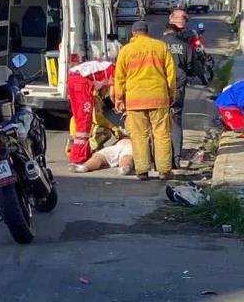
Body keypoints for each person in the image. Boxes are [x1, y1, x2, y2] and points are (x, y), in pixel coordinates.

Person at [114, 20, 176, 181]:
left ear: (133, 33)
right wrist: (170, 95)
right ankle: (164, 170)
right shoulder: (161, 47)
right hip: (159, 98)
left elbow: (119, 78)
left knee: (139, 136)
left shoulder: (126, 50)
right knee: (162, 135)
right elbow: (171, 75)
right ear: (147, 32)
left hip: (135, 100)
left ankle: (142, 171)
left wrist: (119, 99)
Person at [66, 60, 116, 164]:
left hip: (72, 78)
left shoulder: (105, 68)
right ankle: (78, 157)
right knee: (84, 122)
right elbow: (113, 94)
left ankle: (84, 152)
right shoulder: (115, 71)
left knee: (80, 119)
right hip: (82, 82)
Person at [162, 23, 194, 168]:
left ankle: (160, 160)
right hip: (178, 87)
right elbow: (191, 66)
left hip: (160, 88)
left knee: (159, 124)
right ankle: (176, 159)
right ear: (176, 33)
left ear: (165, 32)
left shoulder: (158, 46)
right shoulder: (185, 46)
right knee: (176, 121)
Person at [70, 137, 134, 175]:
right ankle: (84, 167)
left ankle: (124, 168)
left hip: (131, 146)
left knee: (126, 157)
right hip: (116, 146)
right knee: (98, 156)